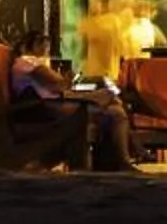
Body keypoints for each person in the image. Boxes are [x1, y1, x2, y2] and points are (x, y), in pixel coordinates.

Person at [9, 28, 128, 169]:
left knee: (113, 106)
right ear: (28, 46)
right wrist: (68, 78)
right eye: (42, 45)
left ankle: (114, 164)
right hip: (48, 108)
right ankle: (120, 163)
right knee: (115, 112)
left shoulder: (28, 62)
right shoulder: (26, 61)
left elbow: (57, 85)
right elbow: (58, 84)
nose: (45, 50)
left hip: (53, 104)